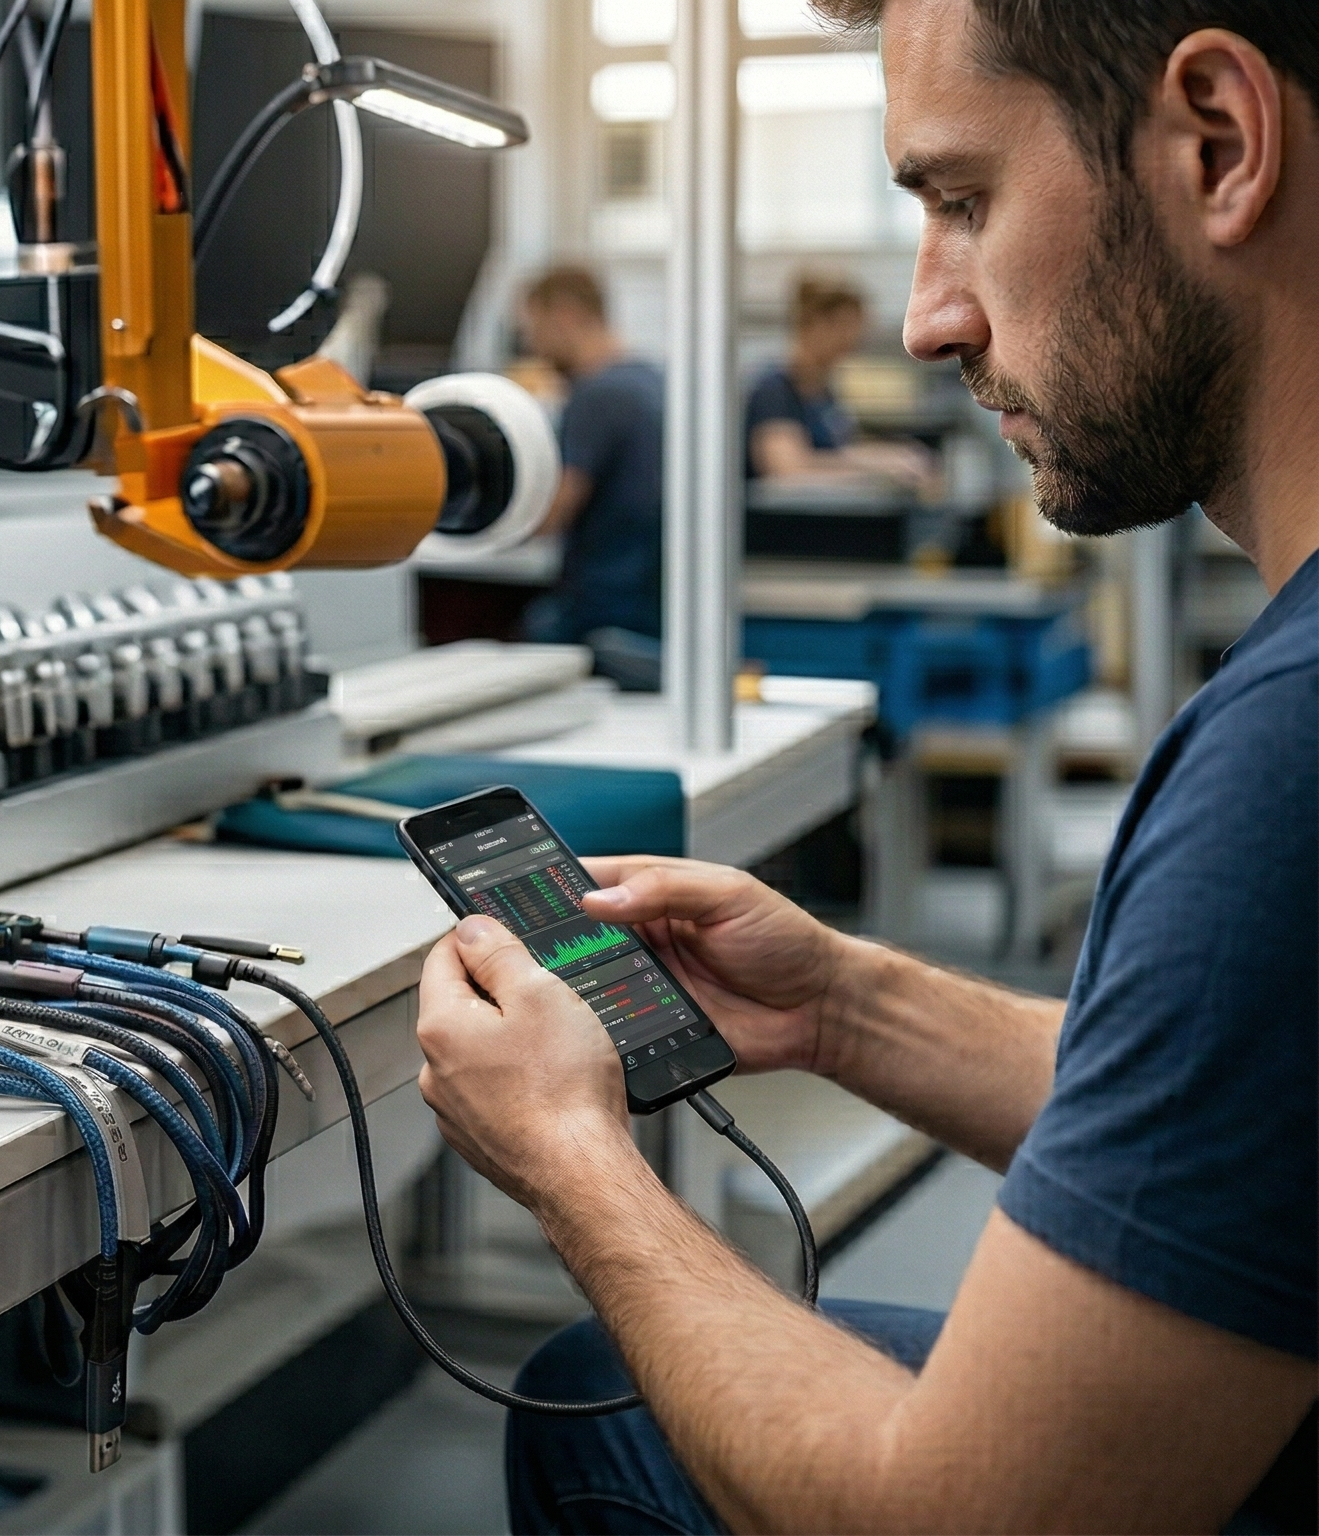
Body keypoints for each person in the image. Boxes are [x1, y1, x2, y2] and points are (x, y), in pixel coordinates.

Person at [416, 0, 1318, 1529]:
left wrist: (572, 1158)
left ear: (1219, 143)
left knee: (589, 1411)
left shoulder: (1283, 763)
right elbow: (1220, 1111)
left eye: (963, 200)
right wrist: (841, 1004)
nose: (928, 319)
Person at [516, 267, 665, 654]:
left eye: (534, 329)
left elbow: (553, 514)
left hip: (602, 610)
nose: (533, 346)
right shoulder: (653, 380)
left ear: (564, 315)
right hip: (652, 605)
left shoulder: (596, 395)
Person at [745, 275, 933, 488]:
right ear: (811, 324)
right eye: (841, 326)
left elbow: (837, 452)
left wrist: (892, 457)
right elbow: (788, 470)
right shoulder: (774, 390)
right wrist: (878, 473)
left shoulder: (821, 391)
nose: (850, 338)